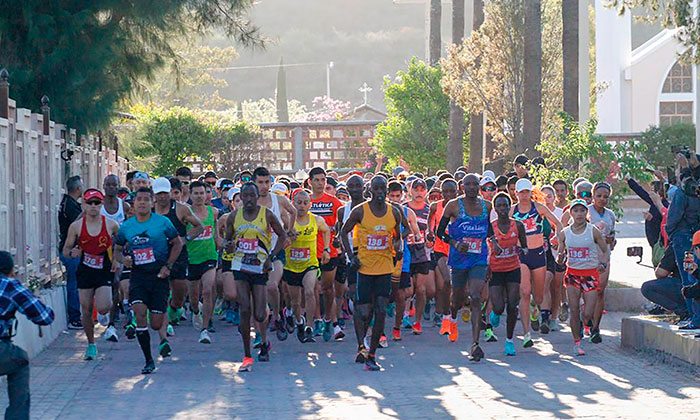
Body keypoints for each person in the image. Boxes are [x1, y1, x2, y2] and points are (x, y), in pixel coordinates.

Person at [114, 187, 183, 374]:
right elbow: (118, 250)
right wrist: (123, 260)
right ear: (134, 204)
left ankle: (161, 330)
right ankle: (148, 360)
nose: (142, 202)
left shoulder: (163, 222)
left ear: (152, 203)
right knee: (139, 312)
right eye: (139, 200)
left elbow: (178, 243)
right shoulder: (127, 226)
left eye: (146, 199)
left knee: (156, 323)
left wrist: (168, 266)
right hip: (138, 276)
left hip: (159, 276)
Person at [341, 176, 404, 371]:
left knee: (381, 310)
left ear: (385, 190)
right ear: (370, 190)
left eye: (381, 188)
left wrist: (397, 249)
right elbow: (343, 233)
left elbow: (398, 237)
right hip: (364, 269)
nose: (379, 192)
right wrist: (351, 256)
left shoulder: (394, 212)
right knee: (364, 311)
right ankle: (361, 345)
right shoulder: (360, 211)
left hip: (385, 268)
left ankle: (372, 354)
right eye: (375, 188)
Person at [224, 183, 287, 372]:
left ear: (257, 196)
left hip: (260, 267)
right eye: (246, 196)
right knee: (244, 309)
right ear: (240, 198)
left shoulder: (266, 214)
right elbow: (228, 240)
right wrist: (228, 246)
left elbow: (282, 235)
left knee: (259, 313)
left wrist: (271, 257)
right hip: (240, 266)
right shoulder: (234, 217)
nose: (250, 199)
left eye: (253, 195)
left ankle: (265, 341)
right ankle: (247, 354)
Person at [436, 174, 492, 361]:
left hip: (479, 258)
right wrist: (454, 243)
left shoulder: (487, 206)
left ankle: (475, 344)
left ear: (479, 186)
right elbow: (439, 232)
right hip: (459, 258)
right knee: (457, 299)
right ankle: (452, 317)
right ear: (462, 186)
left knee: (476, 297)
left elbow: (490, 233)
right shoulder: (453, 205)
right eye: (467, 184)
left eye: (475, 184)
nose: (471, 187)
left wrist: (494, 246)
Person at [62, 189, 120, 359]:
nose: (93, 206)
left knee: (104, 305)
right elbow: (65, 250)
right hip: (85, 271)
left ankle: (104, 316)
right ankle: (91, 344)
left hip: (103, 269)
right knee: (85, 310)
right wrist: (72, 252)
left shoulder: (110, 224)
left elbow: (122, 241)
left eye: (97, 203)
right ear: (84, 205)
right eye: (90, 203)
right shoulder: (76, 226)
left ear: (101, 204)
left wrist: (117, 258)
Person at [0, 251, 55, 419]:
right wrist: (39, 300)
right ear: (11, 271)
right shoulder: (10, 285)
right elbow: (44, 317)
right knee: (20, 361)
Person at [511, 178, 563, 347]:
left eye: (527, 192)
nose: (524, 195)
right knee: (524, 291)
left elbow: (559, 223)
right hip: (521, 254)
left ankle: (535, 306)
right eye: (521, 192)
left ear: (531, 193)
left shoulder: (539, 208)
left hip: (538, 254)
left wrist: (557, 237)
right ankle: (527, 334)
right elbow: (502, 228)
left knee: (539, 296)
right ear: (516, 193)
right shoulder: (512, 211)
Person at [557, 199, 609, 356]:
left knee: (588, 313)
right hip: (573, 274)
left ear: (586, 213)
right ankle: (576, 343)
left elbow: (605, 250)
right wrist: (560, 257)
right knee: (573, 309)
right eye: (576, 211)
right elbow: (561, 253)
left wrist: (603, 264)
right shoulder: (564, 233)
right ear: (571, 213)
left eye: (582, 211)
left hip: (590, 275)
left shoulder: (593, 231)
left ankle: (585, 322)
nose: (579, 214)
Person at [152, 178, 204, 332]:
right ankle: (165, 322)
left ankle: (175, 309)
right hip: (158, 257)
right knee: (160, 290)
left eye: (164, 193)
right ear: (154, 195)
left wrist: (185, 238)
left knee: (179, 296)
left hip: (179, 256)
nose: (162, 197)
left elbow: (199, 227)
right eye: (158, 194)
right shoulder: (150, 209)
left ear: (170, 192)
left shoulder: (181, 209)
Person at [253, 166, 296, 342]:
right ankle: (258, 333)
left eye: (267, 182)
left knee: (272, 286)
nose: (264, 186)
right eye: (260, 182)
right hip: (255, 254)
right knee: (256, 296)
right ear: (254, 183)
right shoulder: (251, 203)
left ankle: (277, 316)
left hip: (276, 251)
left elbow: (293, 211)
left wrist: (289, 230)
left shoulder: (279, 200)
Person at [284, 190, 332, 343]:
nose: (302, 206)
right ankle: (299, 321)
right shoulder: (287, 220)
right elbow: (278, 235)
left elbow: (327, 230)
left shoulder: (316, 220)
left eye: (305, 203)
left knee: (310, 291)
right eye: (298, 202)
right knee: (295, 302)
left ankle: (310, 326)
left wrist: (326, 249)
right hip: (291, 266)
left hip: (310, 264)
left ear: (310, 204)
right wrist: (288, 236)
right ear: (293, 203)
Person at [488, 193, 528, 356]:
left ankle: (509, 341)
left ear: (509, 207)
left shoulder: (517, 226)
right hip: (496, 270)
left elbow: (525, 247)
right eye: (500, 206)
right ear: (495, 208)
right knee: (498, 306)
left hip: (512, 268)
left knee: (512, 306)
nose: (503, 209)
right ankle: (494, 315)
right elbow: (485, 248)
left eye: (506, 205)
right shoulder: (491, 226)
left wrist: (521, 250)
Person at [308, 167, 345, 341]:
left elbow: (344, 222)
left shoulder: (334, 202)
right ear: (310, 182)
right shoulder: (304, 201)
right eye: (317, 180)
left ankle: (329, 319)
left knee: (327, 288)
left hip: (329, 252)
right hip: (309, 252)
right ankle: (316, 320)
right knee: (313, 287)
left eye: (323, 180)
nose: (321, 183)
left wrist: (339, 238)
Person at [184, 181, 220, 344]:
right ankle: (195, 310)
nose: (199, 196)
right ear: (190, 195)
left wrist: (224, 243)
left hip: (209, 256)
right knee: (193, 299)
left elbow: (216, 236)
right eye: (196, 193)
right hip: (191, 259)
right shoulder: (186, 213)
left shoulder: (213, 212)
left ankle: (205, 329)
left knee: (207, 290)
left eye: (202, 193)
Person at [101, 175, 131, 343]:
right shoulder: (98, 206)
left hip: (118, 251)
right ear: (104, 186)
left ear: (119, 186)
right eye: (109, 185)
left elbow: (128, 227)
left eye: (115, 185)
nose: (112, 188)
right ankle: (106, 313)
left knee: (117, 283)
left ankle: (112, 323)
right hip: (101, 252)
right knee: (105, 285)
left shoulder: (124, 206)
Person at [405, 178, 434, 334]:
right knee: (408, 290)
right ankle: (403, 313)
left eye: (422, 190)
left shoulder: (429, 210)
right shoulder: (403, 208)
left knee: (421, 289)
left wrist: (431, 240)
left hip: (423, 253)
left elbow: (433, 231)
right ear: (410, 191)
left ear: (426, 192)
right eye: (416, 189)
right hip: (406, 252)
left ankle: (418, 321)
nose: (419, 193)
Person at [588, 182, 616, 342]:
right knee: (587, 292)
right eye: (599, 196)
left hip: (604, 258)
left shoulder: (610, 215)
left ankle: (596, 328)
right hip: (586, 258)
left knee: (599, 292)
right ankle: (585, 318)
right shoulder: (586, 212)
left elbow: (612, 240)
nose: (602, 199)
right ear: (593, 196)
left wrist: (611, 241)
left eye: (605, 196)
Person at [429, 179, 458, 336]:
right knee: (447, 280)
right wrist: (430, 231)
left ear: (456, 192)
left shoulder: (461, 207)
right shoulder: (436, 206)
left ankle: (451, 314)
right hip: (440, 248)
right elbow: (430, 218)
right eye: (445, 192)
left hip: (458, 249)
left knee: (459, 288)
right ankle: (445, 315)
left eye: (451, 192)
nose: (448, 195)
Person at [59, 175, 83, 330]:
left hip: (72, 249)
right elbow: (77, 225)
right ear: (78, 188)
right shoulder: (70, 205)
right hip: (70, 250)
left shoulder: (69, 202)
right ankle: (74, 318)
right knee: (73, 284)